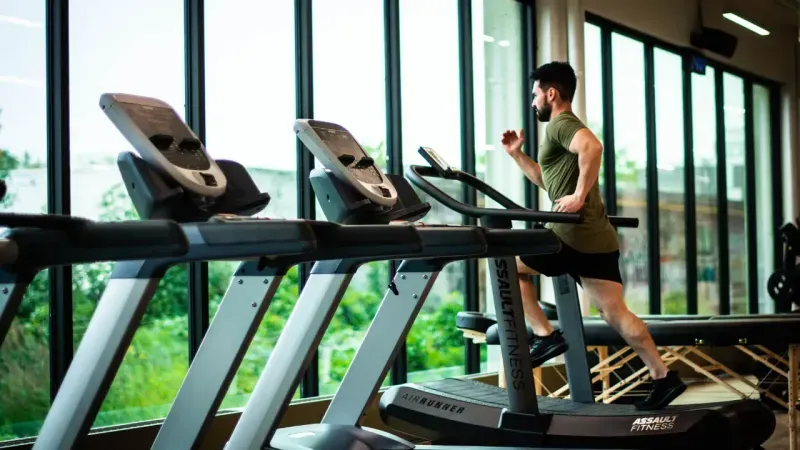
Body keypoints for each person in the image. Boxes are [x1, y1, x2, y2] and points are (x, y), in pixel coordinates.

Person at [501, 61, 686, 410]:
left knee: (506, 265)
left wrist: (579, 196)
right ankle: (663, 376)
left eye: (535, 95)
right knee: (615, 313)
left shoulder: (562, 124)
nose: (533, 102)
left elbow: (594, 148)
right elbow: (549, 181)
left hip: (568, 235)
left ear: (551, 93)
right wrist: (517, 155)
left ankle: (545, 336)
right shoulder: (561, 131)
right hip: (598, 238)